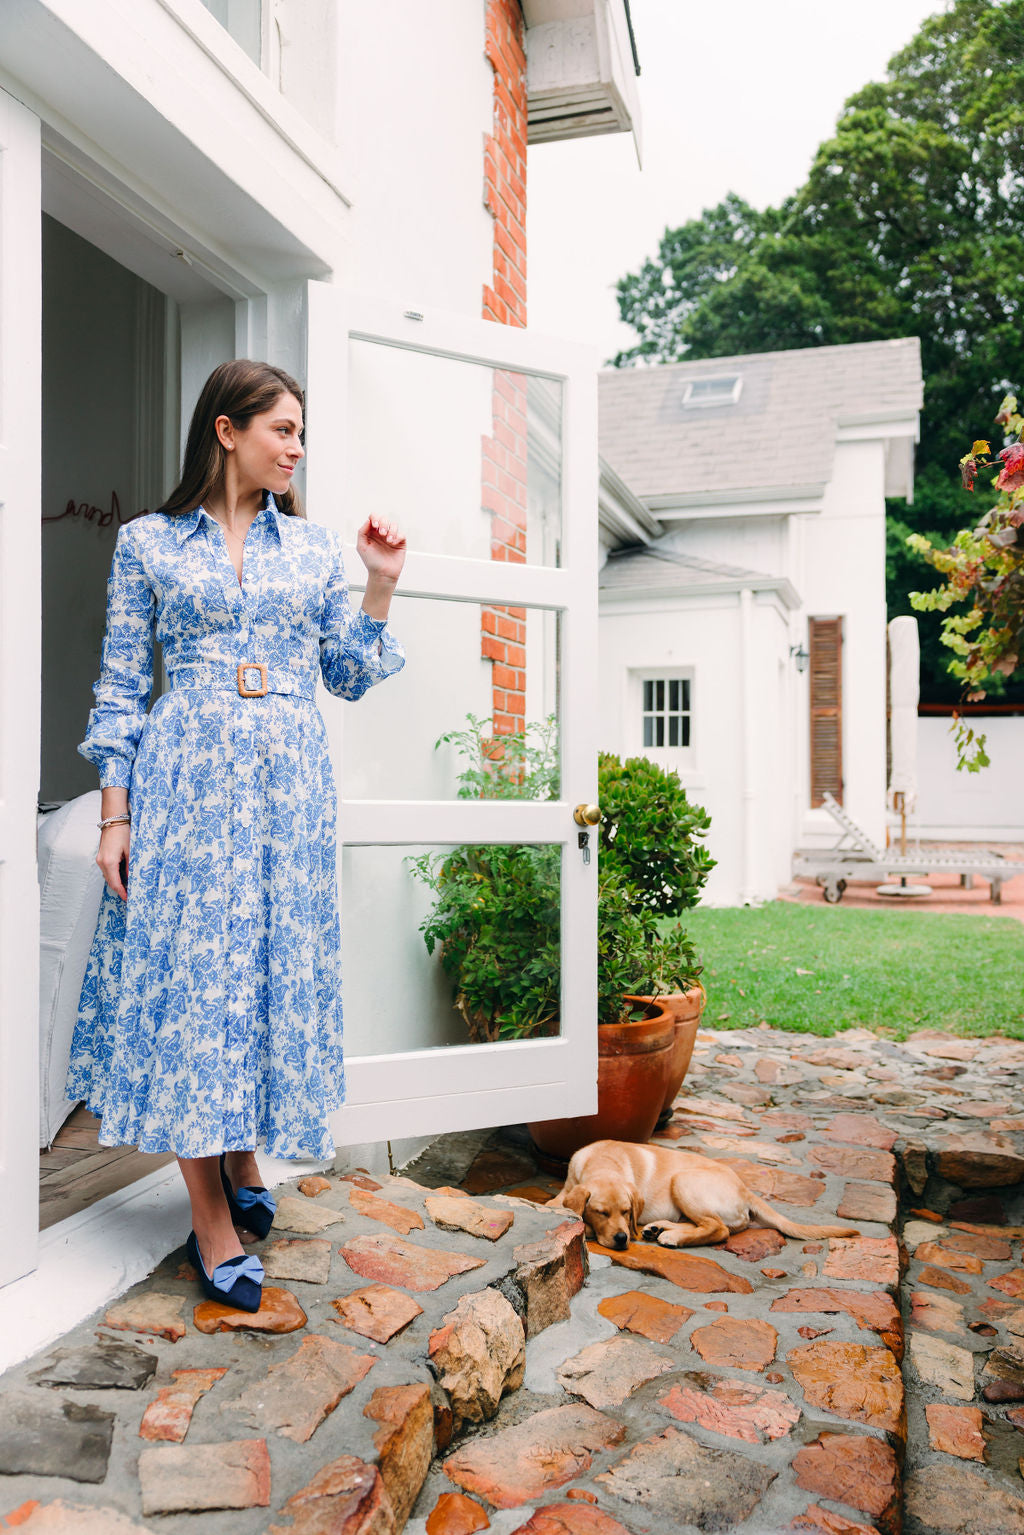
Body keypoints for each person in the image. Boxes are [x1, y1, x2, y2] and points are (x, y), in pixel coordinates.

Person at [67, 358, 406, 1311]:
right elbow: (120, 688)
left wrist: (379, 584)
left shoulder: (314, 549)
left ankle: (244, 1152)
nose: (297, 448)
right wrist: (115, 814)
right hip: (188, 781)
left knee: (261, 971)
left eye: (302, 433)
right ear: (228, 430)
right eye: (282, 429)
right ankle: (209, 1213)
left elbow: (348, 674)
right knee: (196, 981)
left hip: (289, 787)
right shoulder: (147, 544)